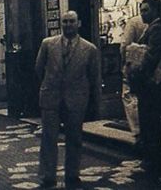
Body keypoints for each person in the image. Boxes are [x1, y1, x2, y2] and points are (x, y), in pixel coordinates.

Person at [35, 10, 100, 189]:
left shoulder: (90, 49)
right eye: (65, 22)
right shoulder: (47, 44)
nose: (68, 25)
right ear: (61, 24)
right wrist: (48, 86)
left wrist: (95, 101)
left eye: (71, 21)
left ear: (78, 23)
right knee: (49, 138)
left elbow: (94, 76)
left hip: (76, 99)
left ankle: (72, 174)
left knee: (75, 138)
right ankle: (48, 176)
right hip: (51, 97)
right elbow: (38, 68)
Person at [127, 0, 161, 179]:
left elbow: (151, 55)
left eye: (146, 10)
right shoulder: (150, 27)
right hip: (147, 84)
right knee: (148, 121)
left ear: (156, 10)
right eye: (141, 10)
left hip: (150, 84)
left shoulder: (156, 28)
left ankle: (153, 160)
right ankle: (151, 158)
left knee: (150, 122)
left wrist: (138, 70)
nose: (143, 13)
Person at [120, 14, 145, 145]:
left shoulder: (134, 22)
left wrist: (124, 64)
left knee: (129, 96)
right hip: (149, 68)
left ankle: (137, 131)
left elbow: (125, 45)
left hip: (134, 66)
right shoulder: (158, 20)